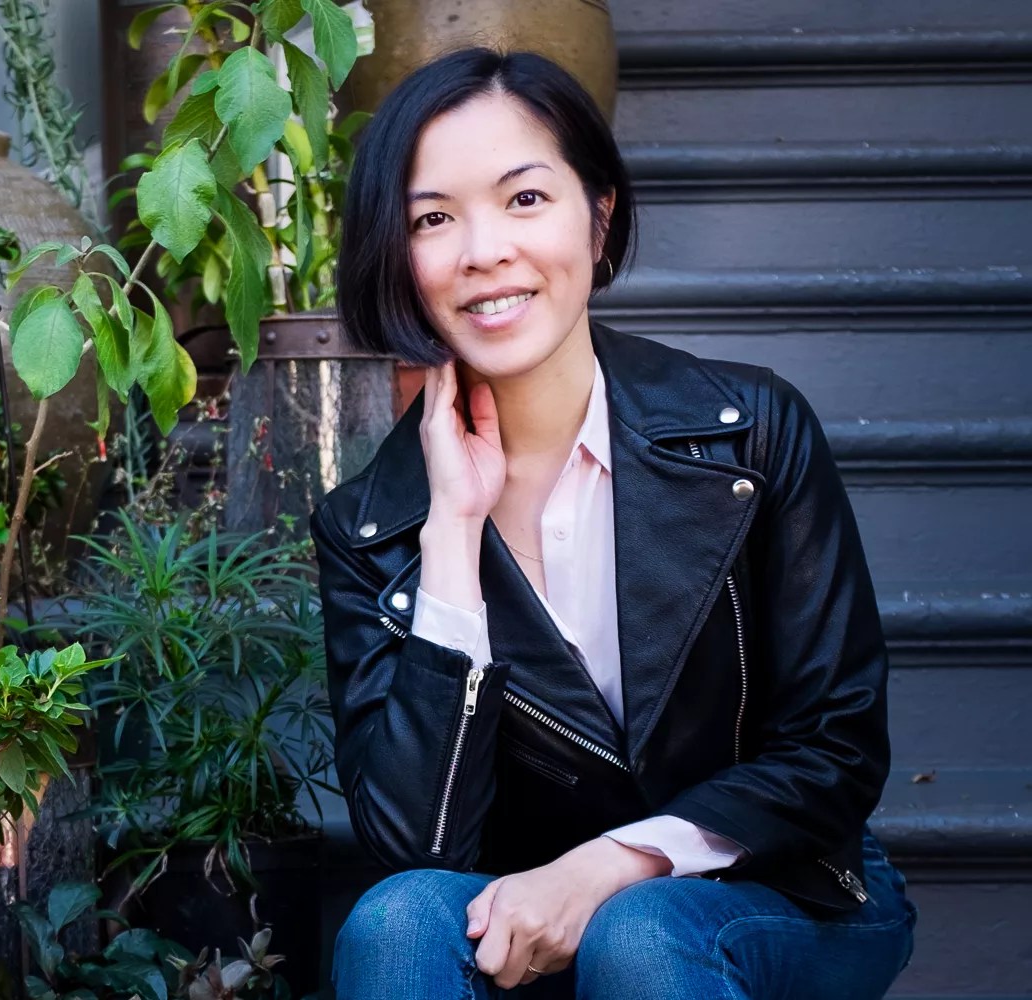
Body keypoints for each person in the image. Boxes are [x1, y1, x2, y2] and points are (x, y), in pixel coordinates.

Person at [310, 47, 917, 999]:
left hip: (779, 893)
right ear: (400, 257)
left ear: (599, 216)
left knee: (637, 934)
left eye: (523, 199)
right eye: (434, 218)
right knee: (392, 923)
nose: (483, 251)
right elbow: (418, 847)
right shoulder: (373, 527)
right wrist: (451, 540)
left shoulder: (751, 435)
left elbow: (835, 750)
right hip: (517, 917)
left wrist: (608, 868)